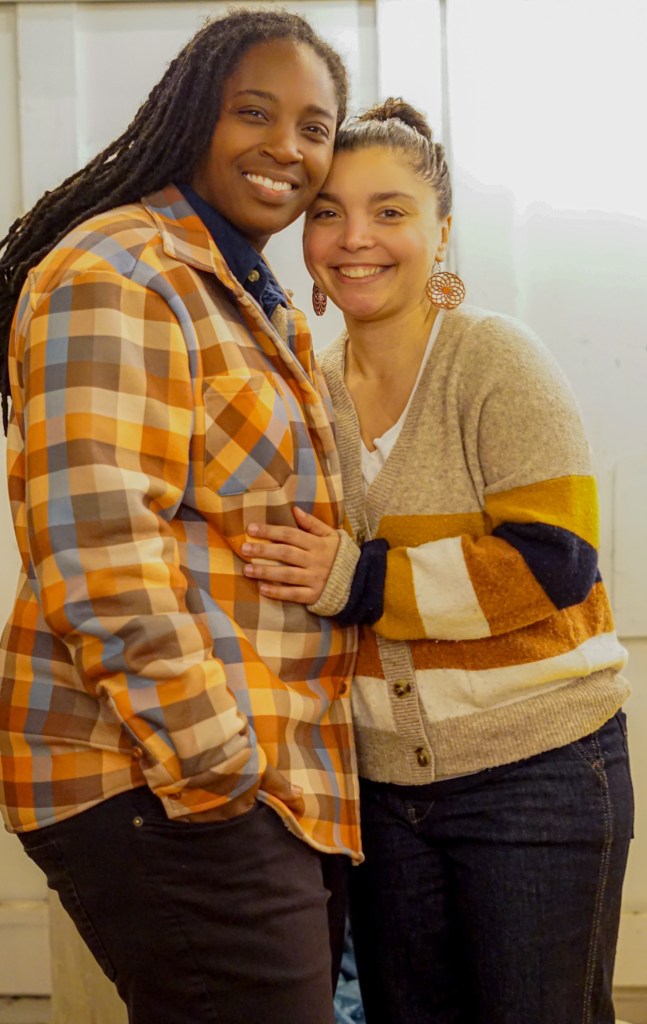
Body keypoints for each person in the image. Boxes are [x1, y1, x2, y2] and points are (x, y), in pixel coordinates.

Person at [0, 10, 362, 1024]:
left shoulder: (247, 294)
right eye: (254, 113)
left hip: (263, 775)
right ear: (192, 114)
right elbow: (97, 547)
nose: (286, 147)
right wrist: (216, 769)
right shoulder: (118, 271)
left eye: (313, 128)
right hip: (162, 773)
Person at [240, 98, 634, 1024]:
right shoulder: (305, 392)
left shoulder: (494, 360)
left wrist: (358, 580)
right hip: (380, 792)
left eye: (390, 211)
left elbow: (555, 561)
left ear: (441, 232)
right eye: (328, 213)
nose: (354, 239)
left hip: (537, 773)